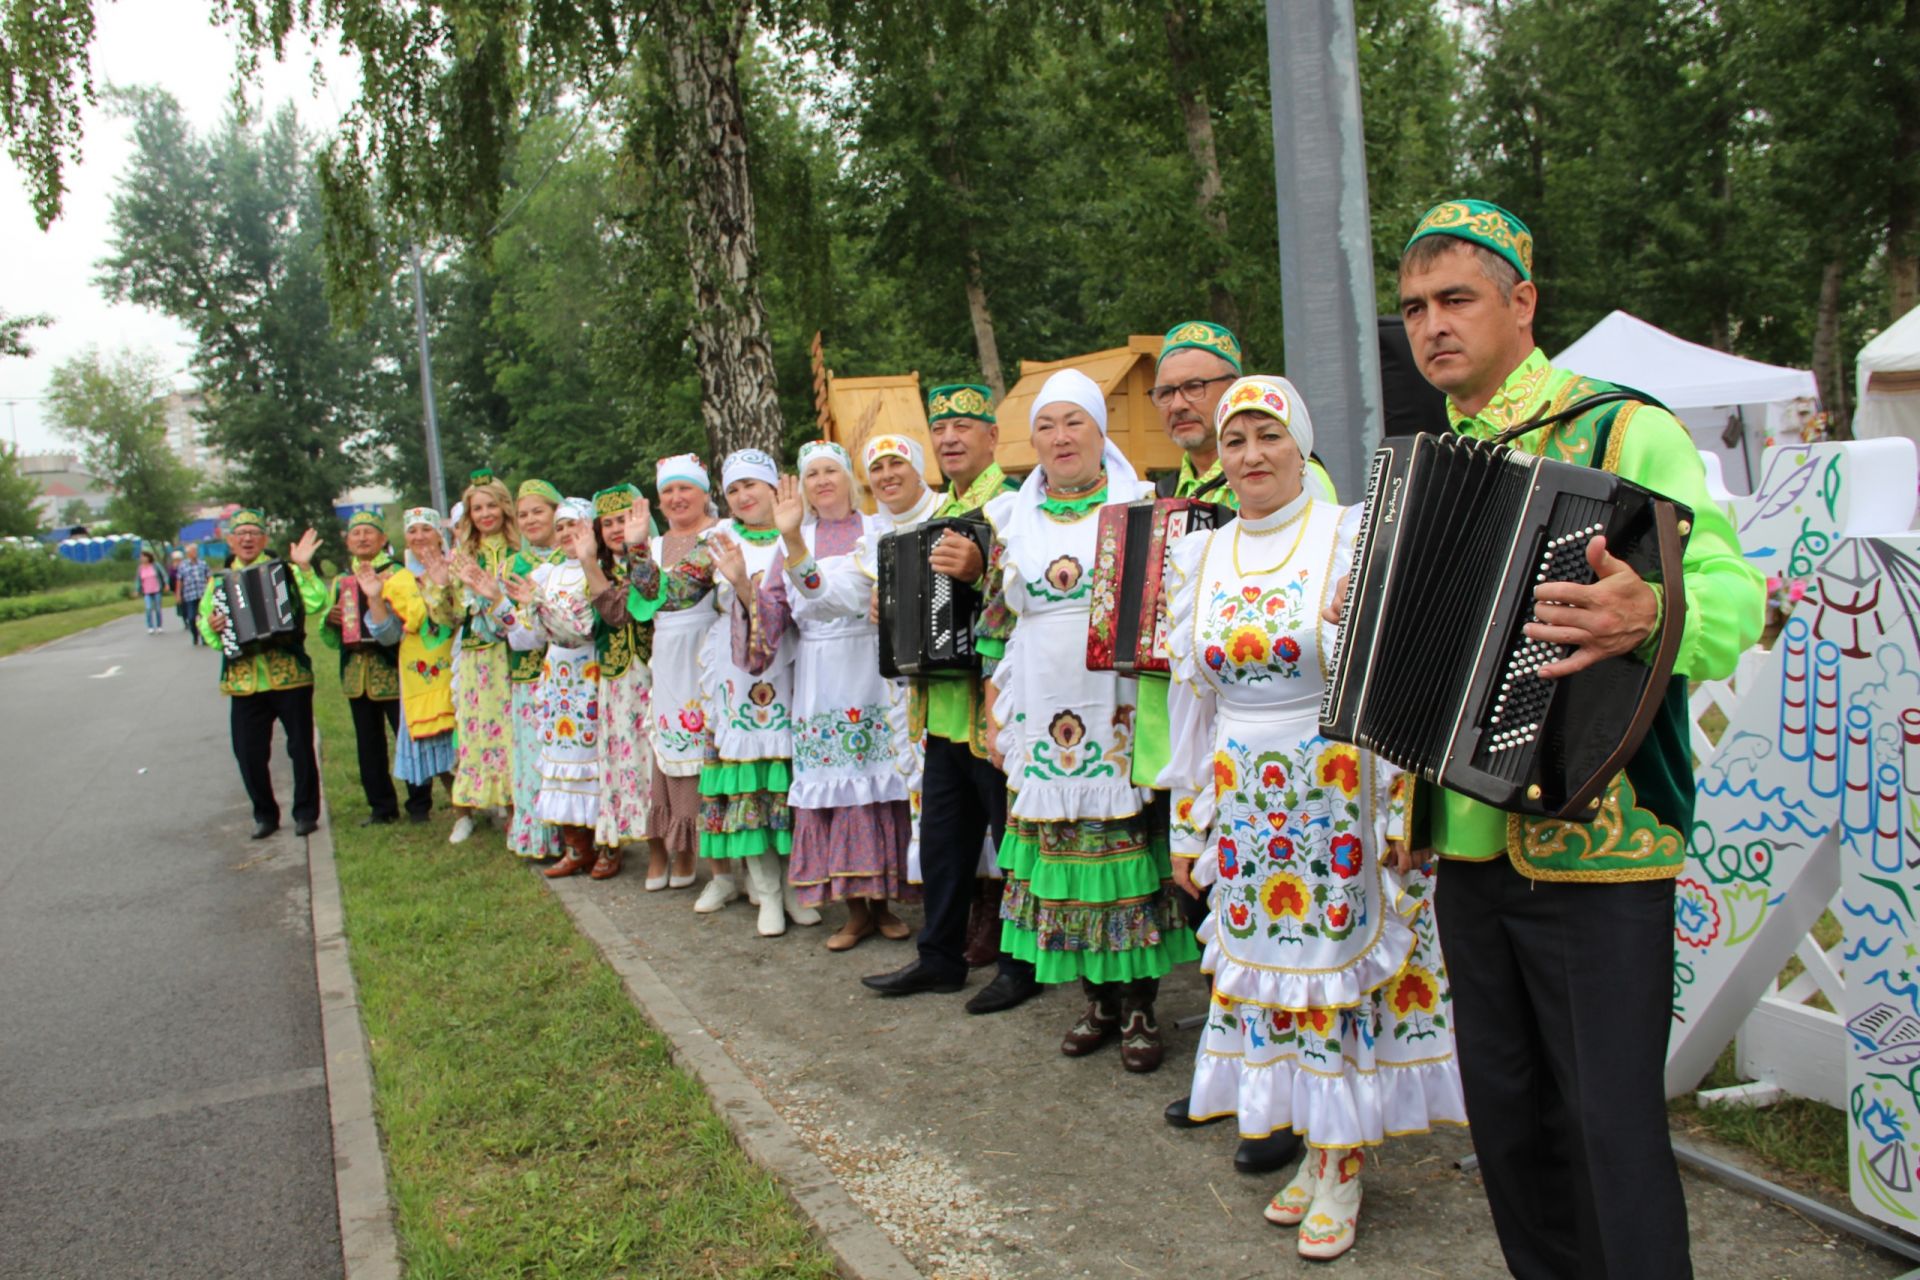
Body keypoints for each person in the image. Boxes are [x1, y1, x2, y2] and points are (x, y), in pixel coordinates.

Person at [1373, 201, 1764, 1279]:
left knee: (1608, 1132)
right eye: (1414, 306)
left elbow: (1736, 592)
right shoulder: (1434, 460)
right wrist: (1411, 804)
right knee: (1508, 1128)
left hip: (1603, 838)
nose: (1433, 324)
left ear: (1522, 302)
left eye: (1456, 297)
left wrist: (1655, 614)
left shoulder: (1621, 428)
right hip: (1469, 852)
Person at [1162, 375, 1466, 1260]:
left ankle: (1342, 1163)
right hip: (1248, 796)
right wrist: (1192, 824)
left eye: (1268, 435)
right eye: (1235, 440)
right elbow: (1195, 707)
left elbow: (1404, 667)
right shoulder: (1198, 557)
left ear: (1301, 444)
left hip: (1338, 783)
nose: (1252, 455)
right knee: (1270, 976)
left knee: (1335, 970)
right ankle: (1310, 1145)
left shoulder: (1350, 534)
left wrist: (1404, 807)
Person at [979, 368, 1201, 1069]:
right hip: (1040, 701)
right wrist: (993, 711)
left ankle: (1139, 1007)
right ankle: (1096, 1001)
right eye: (1045, 426)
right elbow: (993, 624)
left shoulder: (1144, 507)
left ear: (1101, 431)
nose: (1059, 437)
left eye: (1073, 421)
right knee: (1064, 860)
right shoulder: (1008, 518)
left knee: (1124, 858)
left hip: (1121, 708)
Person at [1145, 322, 1298, 1173]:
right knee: (1215, 914)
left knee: (1276, 922)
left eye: (1194, 386)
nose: (1179, 404)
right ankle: (1236, 1072)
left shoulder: (1286, 477)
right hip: (1197, 731)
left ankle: (1283, 1101)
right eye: (1168, 392)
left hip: (1285, 745)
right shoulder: (1176, 491)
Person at [862, 385, 1039, 1013]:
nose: (951, 438)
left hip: (993, 708)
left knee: (1009, 840)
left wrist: (981, 565)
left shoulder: (1016, 505)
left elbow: (1032, 588)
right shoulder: (936, 513)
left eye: (966, 425)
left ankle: (1022, 966)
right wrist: (890, 611)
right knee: (942, 843)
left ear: (994, 436)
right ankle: (940, 958)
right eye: (941, 429)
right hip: (940, 708)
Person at [756, 444, 915, 951]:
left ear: (849, 479)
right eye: (812, 475)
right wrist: (747, 588)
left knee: (880, 784)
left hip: (873, 667)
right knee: (836, 785)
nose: (822, 481)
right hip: (822, 677)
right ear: (801, 487)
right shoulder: (793, 540)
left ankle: (885, 905)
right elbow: (779, 610)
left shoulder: (878, 529)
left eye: (831, 471)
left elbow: (848, 593)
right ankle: (853, 910)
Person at [700, 449, 811, 936]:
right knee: (749, 784)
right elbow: (666, 597)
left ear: (774, 488)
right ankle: (766, 892)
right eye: (733, 489)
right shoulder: (715, 540)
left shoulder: (799, 534)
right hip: (735, 673)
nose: (744, 496)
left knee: (786, 784)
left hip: (789, 667)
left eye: (752, 485)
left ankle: (794, 888)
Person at [197, 509, 328, 839]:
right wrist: (213, 628)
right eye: (240, 534)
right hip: (244, 680)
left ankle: (306, 813)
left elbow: (315, 603)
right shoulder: (218, 583)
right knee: (248, 752)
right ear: (230, 541)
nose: (247, 539)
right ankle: (264, 814)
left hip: (289, 675)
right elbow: (206, 624)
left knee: (300, 747)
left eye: (254, 533)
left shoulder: (285, 571)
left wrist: (305, 567)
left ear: (264, 540)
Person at [505, 497, 602, 874]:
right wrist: (507, 608)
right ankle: (575, 847)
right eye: (560, 527)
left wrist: (540, 604)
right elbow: (526, 639)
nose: (565, 533)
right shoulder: (546, 573)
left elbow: (581, 630)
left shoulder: (596, 570)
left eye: (573, 525)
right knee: (558, 761)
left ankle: (604, 845)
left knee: (588, 762)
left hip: (588, 673)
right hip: (556, 676)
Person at [320, 511, 428, 826]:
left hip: (394, 667)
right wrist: (331, 618)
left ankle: (419, 803)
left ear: (383, 539)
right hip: (357, 671)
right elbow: (329, 634)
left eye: (370, 532)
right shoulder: (342, 580)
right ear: (348, 541)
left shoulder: (398, 573)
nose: (363, 538)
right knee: (368, 743)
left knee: (407, 737)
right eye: (356, 534)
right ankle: (381, 806)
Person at [647, 455, 721, 893]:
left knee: (706, 751)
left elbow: (675, 594)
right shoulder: (653, 546)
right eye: (668, 491)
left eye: (685, 489)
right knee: (669, 749)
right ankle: (678, 844)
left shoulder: (718, 534)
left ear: (704, 492)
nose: (677, 498)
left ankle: (714, 859)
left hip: (706, 647)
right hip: (666, 653)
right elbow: (638, 604)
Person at [439, 468, 520, 844]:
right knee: (476, 729)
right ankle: (472, 807)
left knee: (512, 729)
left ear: (505, 507)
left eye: (491, 505)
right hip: (476, 654)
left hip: (512, 650)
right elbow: (450, 615)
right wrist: (439, 588)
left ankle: (518, 809)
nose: (485, 514)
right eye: (477, 508)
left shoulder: (519, 549)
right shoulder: (461, 555)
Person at [500, 479, 569, 860]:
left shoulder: (571, 556)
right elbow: (508, 626)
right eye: (522, 514)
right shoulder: (514, 565)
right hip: (529, 672)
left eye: (537, 511)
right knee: (533, 756)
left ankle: (576, 837)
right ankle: (540, 838)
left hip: (571, 674)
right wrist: (499, 604)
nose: (529, 520)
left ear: (557, 512)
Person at [386, 508, 459, 819]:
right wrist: (425, 582)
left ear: (438, 534)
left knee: (462, 734)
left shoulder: (456, 565)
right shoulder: (398, 580)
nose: (419, 537)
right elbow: (415, 618)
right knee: (436, 740)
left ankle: (482, 801)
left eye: (425, 530)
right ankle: (461, 811)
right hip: (422, 668)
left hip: (455, 657)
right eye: (412, 531)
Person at [176, 544, 209, 645]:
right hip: (190, 595)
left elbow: (209, 578)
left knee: (203, 616)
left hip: (202, 594)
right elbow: (179, 581)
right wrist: (178, 594)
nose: (195, 553)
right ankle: (195, 635)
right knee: (191, 617)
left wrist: (210, 591)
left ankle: (204, 637)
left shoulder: (202, 563)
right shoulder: (183, 565)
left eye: (195, 551)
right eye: (192, 551)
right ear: (188, 554)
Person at [137, 549, 166, 633]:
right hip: (147, 592)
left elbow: (163, 574)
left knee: (157, 608)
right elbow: (138, 580)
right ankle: (150, 626)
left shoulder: (155, 566)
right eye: (141, 557)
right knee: (148, 608)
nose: (142, 558)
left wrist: (166, 583)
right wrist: (137, 590)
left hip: (156, 590)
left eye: (143, 556)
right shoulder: (140, 568)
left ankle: (159, 626)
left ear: (148, 557)